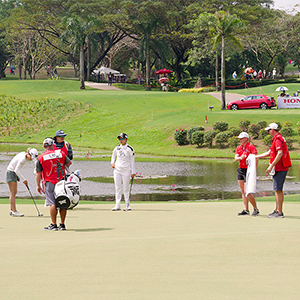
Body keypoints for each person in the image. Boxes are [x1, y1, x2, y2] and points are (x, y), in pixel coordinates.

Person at [256, 123, 291, 218]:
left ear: (273, 130)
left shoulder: (278, 139)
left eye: (269, 130)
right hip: (280, 168)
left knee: (278, 190)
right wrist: (256, 156)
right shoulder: (276, 139)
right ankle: (277, 210)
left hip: (280, 168)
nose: (268, 132)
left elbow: (280, 153)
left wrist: (271, 166)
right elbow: (270, 152)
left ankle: (279, 212)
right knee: (277, 190)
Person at [36, 138, 72, 230]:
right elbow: (69, 163)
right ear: (52, 145)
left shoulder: (41, 157)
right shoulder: (61, 153)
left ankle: (53, 224)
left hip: (49, 182)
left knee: (52, 203)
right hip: (61, 181)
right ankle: (62, 224)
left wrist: (38, 185)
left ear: (44, 146)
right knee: (62, 201)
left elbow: (38, 173)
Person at [6, 148, 38, 216]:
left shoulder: (24, 154)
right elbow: (16, 170)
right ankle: (14, 211)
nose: (31, 159)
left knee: (13, 192)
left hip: (12, 172)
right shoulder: (23, 158)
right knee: (13, 192)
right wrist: (24, 180)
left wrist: (17, 176)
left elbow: (15, 167)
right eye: (31, 157)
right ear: (29, 154)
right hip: (11, 173)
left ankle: (12, 210)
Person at [235, 132, 260, 216]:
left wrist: (254, 169)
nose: (240, 140)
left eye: (242, 138)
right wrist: (240, 158)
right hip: (241, 170)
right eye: (240, 138)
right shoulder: (239, 147)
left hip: (248, 170)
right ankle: (246, 209)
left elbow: (256, 158)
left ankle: (256, 209)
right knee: (243, 191)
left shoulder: (250, 147)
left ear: (246, 138)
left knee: (247, 191)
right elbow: (236, 159)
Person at [111, 133, 136, 211]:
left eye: (122, 139)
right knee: (117, 188)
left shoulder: (130, 149)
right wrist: (112, 162)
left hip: (126, 170)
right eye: (119, 139)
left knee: (126, 188)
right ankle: (117, 205)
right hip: (117, 170)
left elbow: (132, 161)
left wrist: (133, 172)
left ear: (126, 139)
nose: (120, 141)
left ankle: (127, 205)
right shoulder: (117, 148)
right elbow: (113, 155)